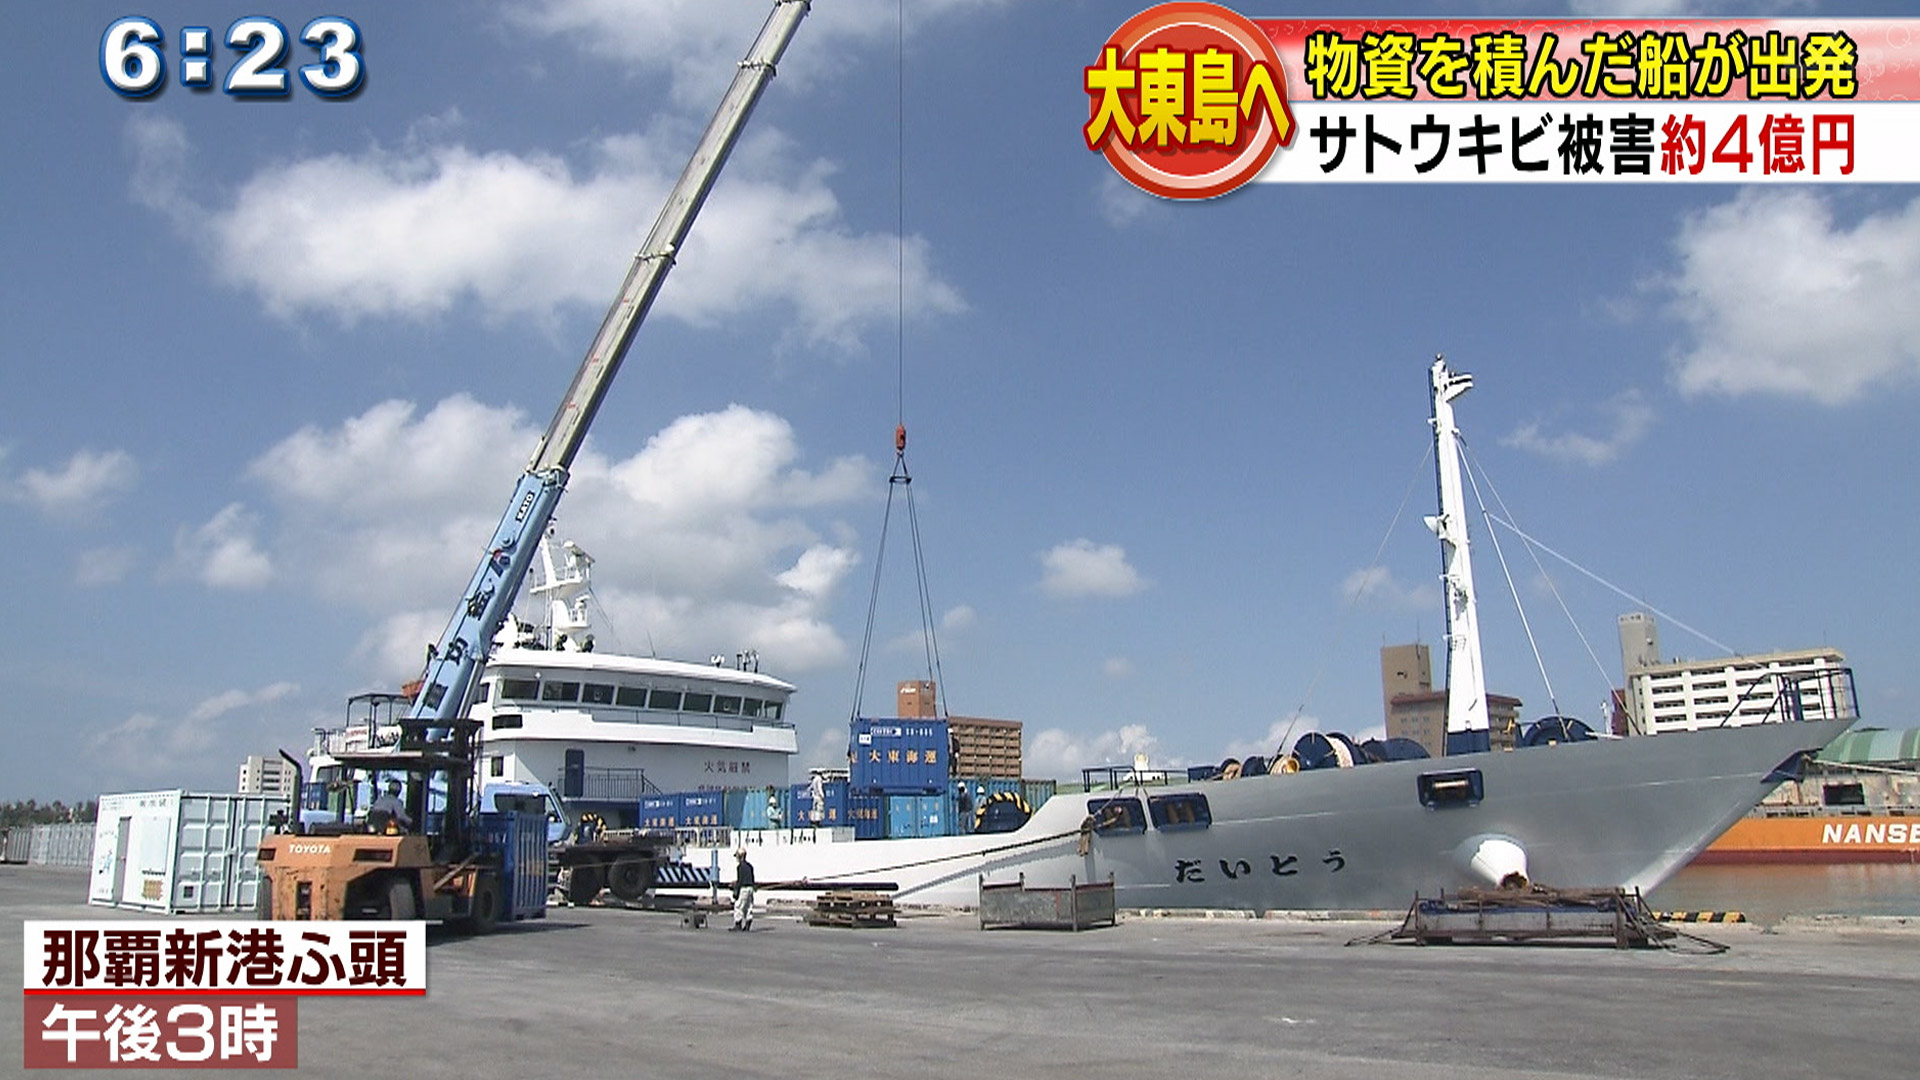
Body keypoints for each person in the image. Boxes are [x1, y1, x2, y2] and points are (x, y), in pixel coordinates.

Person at [729, 849, 756, 931]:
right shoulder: (750, 866)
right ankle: (748, 924)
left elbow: (740, 880)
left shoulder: (740, 867)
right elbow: (752, 878)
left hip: (743, 888)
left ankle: (738, 924)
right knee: (748, 906)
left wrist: (736, 891)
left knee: (738, 906)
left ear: (740, 856)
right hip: (750, 888)